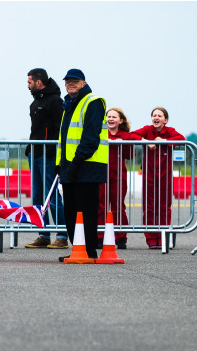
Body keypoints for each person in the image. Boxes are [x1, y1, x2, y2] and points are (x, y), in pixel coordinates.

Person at [55, 69, 107, 261]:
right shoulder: (69, 104)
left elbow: (90, 137)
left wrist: (76, 162)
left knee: (86, 211)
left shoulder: (92, 102)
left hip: (87, 165)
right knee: (71, 211)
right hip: (70, 165)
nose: (70, 84)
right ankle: (78, 249)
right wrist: (59, 164)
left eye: (74, 81)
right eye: (68, 81)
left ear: (84, 83)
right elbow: (65, 138)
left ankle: (89, 251)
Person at [24, 68, 67, 249]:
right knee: (37, 197)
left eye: (29, 82)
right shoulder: (35, 103)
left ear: (39, 82)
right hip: (34, 154)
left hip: (48, 155)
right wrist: (29, 149)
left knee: (52, 196)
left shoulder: (55, 101)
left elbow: (60, 128)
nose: (27, 85)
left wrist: (54, 152)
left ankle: (62, 235)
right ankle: (43, 234)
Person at [132, 107, 186, 249]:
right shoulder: (147, 129)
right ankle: (151, 238)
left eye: (159, 116)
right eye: (154, 115)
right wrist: (145, 141)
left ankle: (163, 236)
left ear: (165, 120)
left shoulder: (170, 131)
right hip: (149, 174)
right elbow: (131, 135)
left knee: (164, 206)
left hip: (165, 175)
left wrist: (164, 140)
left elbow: (181, 139)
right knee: (149, 205)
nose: (156, 118)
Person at [97, 108, 141, 249]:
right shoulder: (100, 133)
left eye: (114, 117)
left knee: (118, 206)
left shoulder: (126, 135)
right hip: (102, 174)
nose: (110, 119)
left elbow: (131, 154)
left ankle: (121, 237)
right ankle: (99, 237)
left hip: (118, 174)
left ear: (120, 120)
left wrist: (123, 142)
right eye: (108, 116)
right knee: (101, 206)